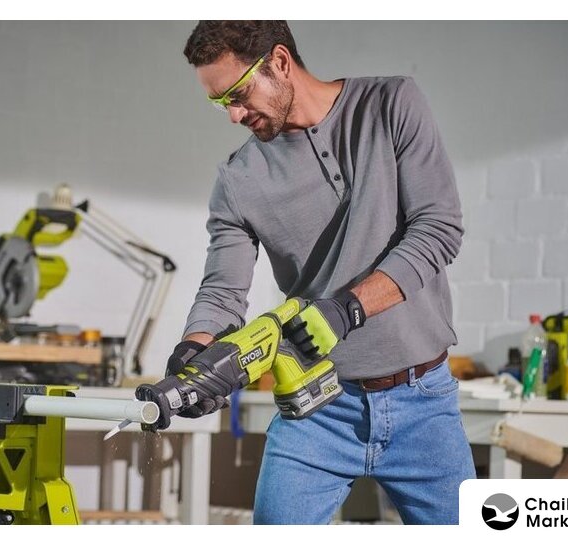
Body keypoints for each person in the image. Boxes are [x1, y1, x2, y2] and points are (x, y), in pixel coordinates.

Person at [168, 20, 475, 525]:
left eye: (238, 95)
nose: (234, 115)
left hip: (424, 401)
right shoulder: (238, 180)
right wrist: (192, 356)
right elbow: (222, 291)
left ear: (280, 62)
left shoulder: (391, 105)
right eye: (220, 103)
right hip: (316, 406)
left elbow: (438, 229)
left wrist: (347, 309)